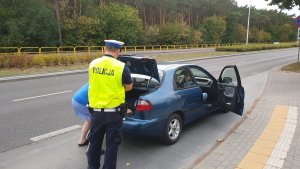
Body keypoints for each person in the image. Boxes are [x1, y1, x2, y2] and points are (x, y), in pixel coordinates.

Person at [86, 40, 133, 169]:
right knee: (112, 145)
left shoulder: (93, 64)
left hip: (95, 113)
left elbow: (95, 82)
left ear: (104, 49)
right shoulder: (121, 67)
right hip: (114, 114)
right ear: (118, 51)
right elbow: (128, 87)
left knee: (95, 143)